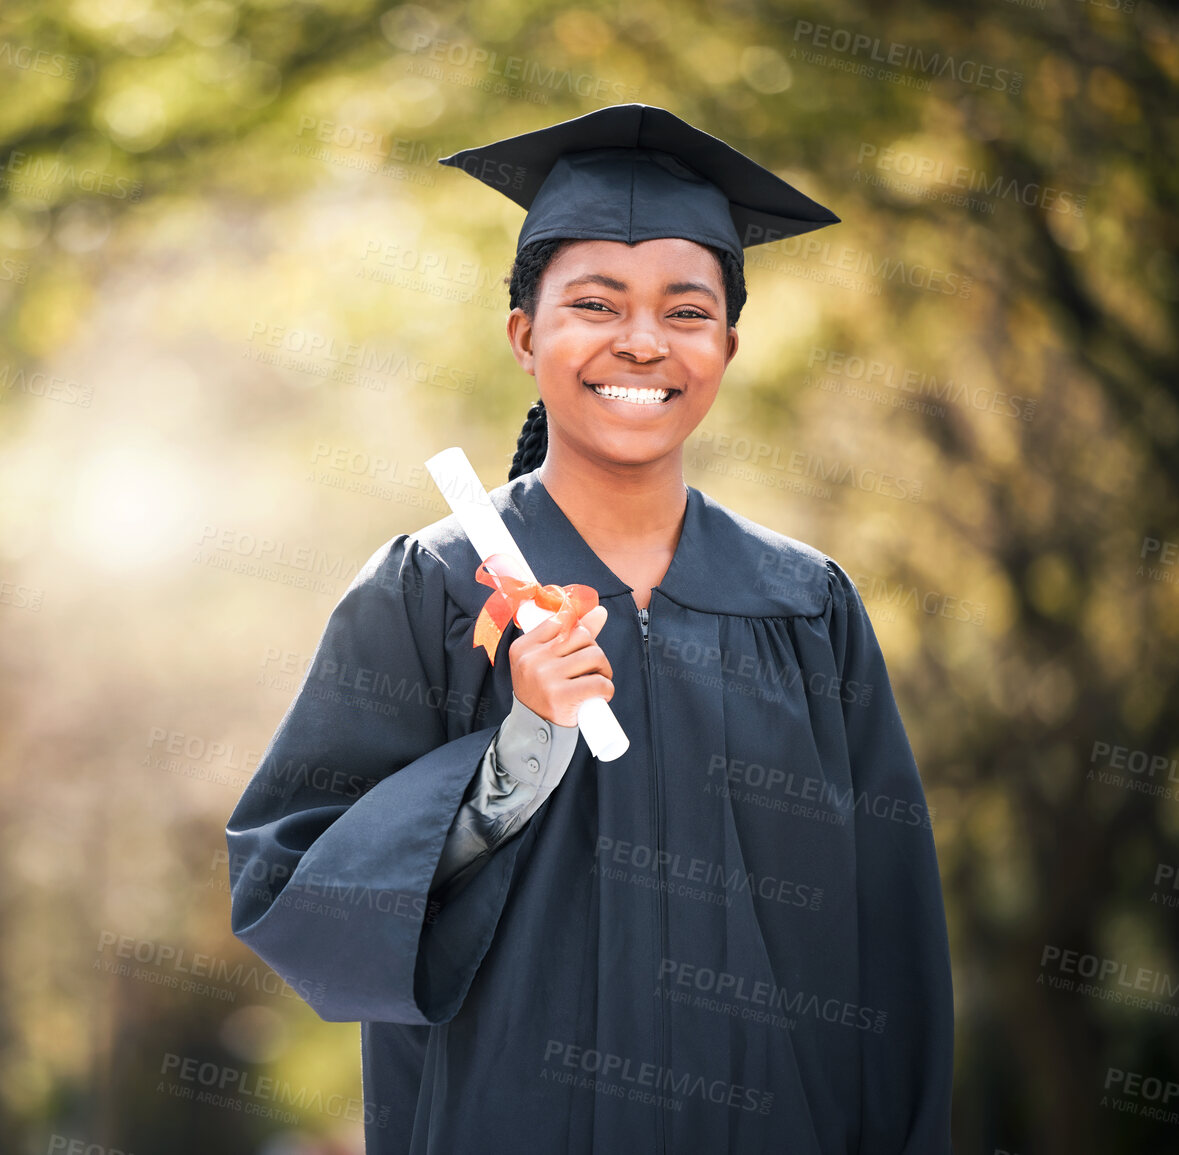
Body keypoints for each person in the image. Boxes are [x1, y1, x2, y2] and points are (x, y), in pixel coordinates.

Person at [225, 104, 953, 1154]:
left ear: (728, 346)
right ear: (527, 338)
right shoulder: (432, 591)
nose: (642, 341)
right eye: (596, 304)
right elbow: (291, 884)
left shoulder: (808, 607)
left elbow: (892, 943)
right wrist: (511, 758)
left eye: (686, 311)